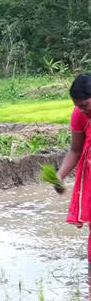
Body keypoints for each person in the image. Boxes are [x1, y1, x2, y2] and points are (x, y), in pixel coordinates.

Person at [58, 74, 91, 282]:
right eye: (78, 106)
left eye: (86, 105)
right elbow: (75, 150)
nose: (82, 110)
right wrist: (59, 176)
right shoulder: (79, 115)